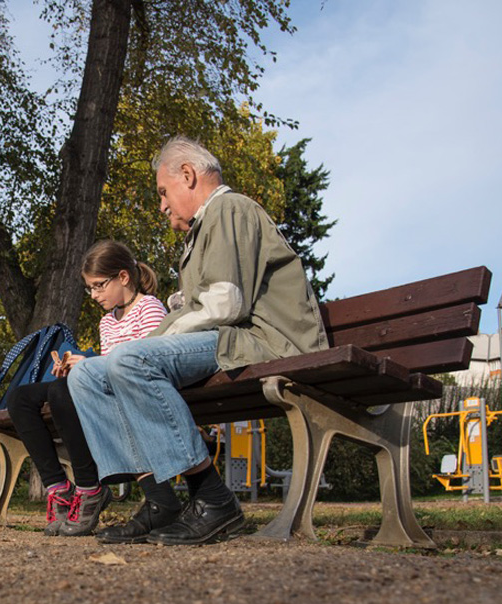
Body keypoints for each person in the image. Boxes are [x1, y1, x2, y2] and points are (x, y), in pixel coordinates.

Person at [69, 135, 328, 546]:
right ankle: (160, 499)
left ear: (187, 175)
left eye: (163, 191)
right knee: (85, 378)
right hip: (230, 340)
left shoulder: (229, 208)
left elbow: (225, 302)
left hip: (267, 342)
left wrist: (154, 337)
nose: (162, 205)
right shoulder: (206, 227)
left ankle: (212, 497)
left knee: (128, 361)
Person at [6, 240, 168, 536]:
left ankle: (89, 488)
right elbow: (109, 363)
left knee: (60, 391)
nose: (93, 295)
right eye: (89, 289)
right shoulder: (107, 322)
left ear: (123, 277)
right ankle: (59, 487)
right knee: (20, 399)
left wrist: (90, 366)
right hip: (106, 384)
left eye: (98, 286)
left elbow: (147, 362)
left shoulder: (150, 308)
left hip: (133, 393)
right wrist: (80, 365)